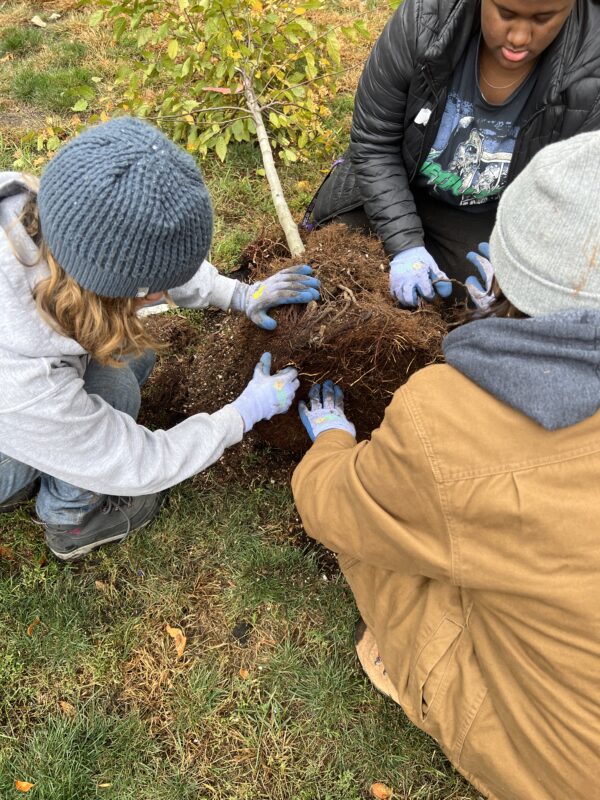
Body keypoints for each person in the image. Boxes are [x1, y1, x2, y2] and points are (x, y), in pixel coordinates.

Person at [292, 131, 600, 799]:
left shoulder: (448, 424)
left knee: (384, 541)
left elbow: (337, 506)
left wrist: (330, 444)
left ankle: (404, 664)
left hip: (568, 768)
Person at [0, 117, 319, 561]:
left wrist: (239, 294)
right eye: (158, 289)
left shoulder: (42, 210)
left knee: (132, 358)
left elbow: (132, 255)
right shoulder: (22, 376)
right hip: (8, 424)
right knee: (116, 390)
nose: (164, 295)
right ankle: (72, 517)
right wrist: (240, 417)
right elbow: (136, 461)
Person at [305, 0, 600, 306]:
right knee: (331, 272)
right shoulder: (424, 20)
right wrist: (405, 245)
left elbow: (577, 198)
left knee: (486, 303)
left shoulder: (592, 65)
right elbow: (374, 140)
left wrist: (524, 265)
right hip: (396, 179)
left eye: (543, 17)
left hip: (482, 214)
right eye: (506, 14)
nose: (519, 37)